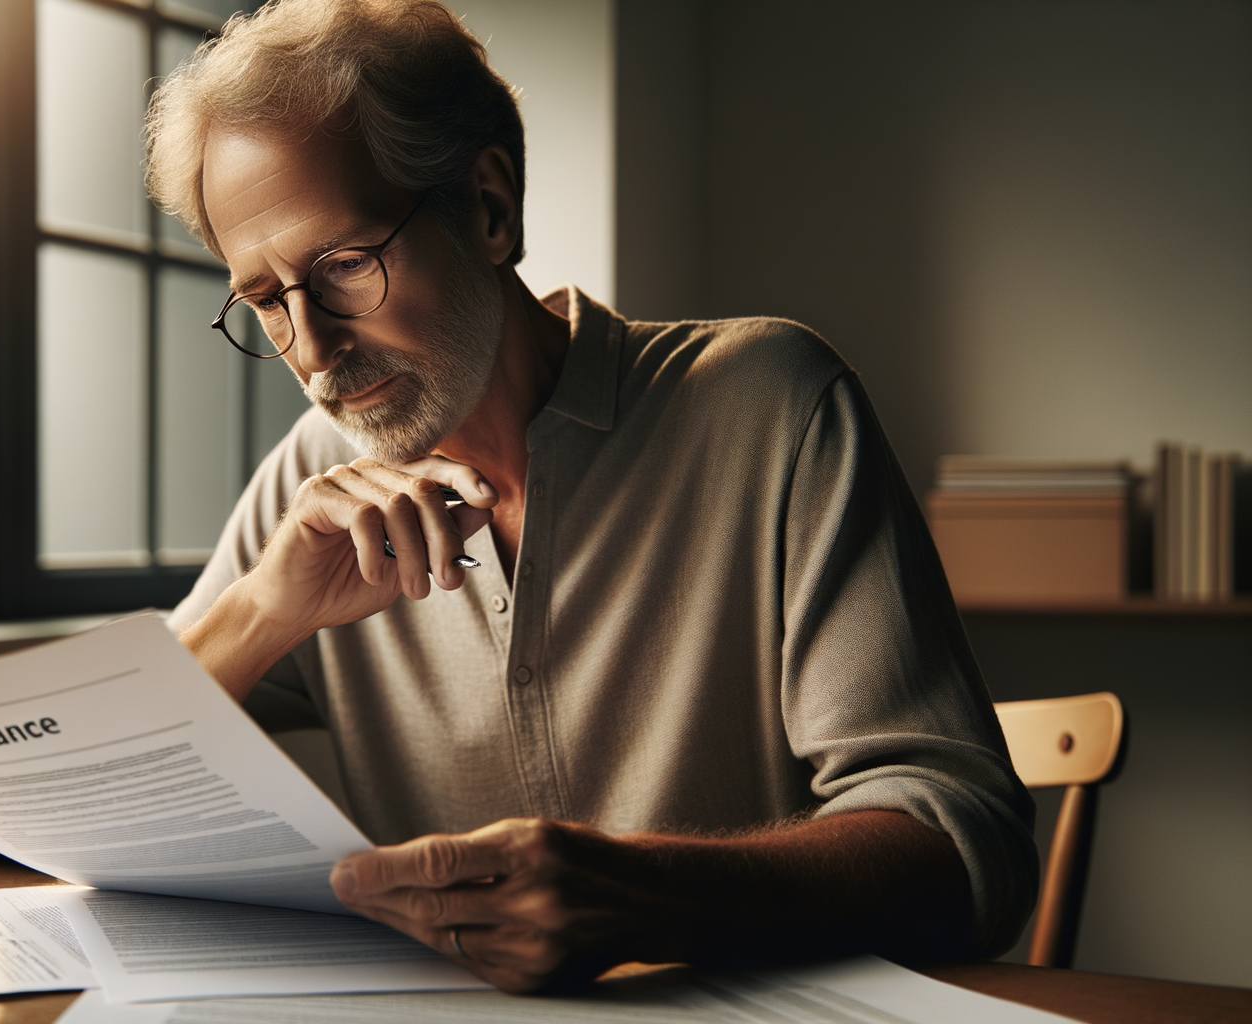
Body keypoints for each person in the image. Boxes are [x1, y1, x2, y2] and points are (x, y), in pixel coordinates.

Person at [140, 0, 1039, 992]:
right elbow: (15, 815)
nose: (310, 351)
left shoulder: (770, 407)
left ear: (489, 206)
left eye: (346, 266)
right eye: (266, 301)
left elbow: (971, 853)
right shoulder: (310, 485)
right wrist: (266, 606)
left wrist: (648, 895)